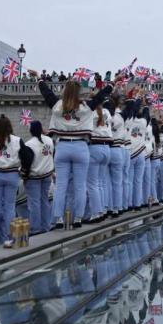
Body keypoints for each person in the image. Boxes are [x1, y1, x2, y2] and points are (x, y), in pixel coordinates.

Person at [39, 78, 112, 229]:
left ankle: (58, 219)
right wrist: (112, 84)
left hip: (63, 147)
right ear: (78, 92)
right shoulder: (85, 107)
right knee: (80, 186)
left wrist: (39, 79)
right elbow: (100, 96)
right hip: (80, 147)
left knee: (60, 186)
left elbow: (47, 93)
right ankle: (78, 218)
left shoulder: (58, 106)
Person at [0, 115, 33, 246]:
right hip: (12, 175)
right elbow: (27, 157)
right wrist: (24, 171)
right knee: (10, 207)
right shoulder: (17, 140)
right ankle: (9, 237)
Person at [24, 121, 55, 234]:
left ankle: (35, 228)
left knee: (34, 203)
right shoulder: (49, 140)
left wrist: (24, 176)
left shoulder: (29, 144)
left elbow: (27, 162)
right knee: (45, 201)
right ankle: (46, 226)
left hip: (34, 177)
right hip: (47, 175)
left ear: (31, 130)